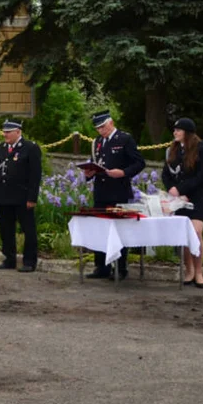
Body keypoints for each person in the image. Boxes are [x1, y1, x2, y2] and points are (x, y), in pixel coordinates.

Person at [83, 110, 145, 280]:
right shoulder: (97, 142)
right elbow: (95, 162)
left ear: (111, 123)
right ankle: (101, 267)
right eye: (98, 128)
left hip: (119, 190)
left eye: (103, 127)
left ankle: (120, 267)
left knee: (118, 230)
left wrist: (124, 172)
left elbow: (139, 162)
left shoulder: (124, 139)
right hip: (101, 191)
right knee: (100, 229)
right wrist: (89, 174)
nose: (101, 131)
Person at [162, 118, 203, 289]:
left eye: (178, 130)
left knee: (196, 232)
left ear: (187, 132)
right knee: (185, 235)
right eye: (174, 130)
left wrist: (182, 189)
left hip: (198, 198)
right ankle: (189, 270)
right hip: (179, 200)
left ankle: (199, 272)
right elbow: (166, 174)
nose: (175, 133)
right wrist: (172, 189)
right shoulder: (173, 150)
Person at [0, 120, 43, 272]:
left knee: (28, 229)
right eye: (4, 132)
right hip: (3, 195)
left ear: (18, 132)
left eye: (8, 132)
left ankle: (29, 261)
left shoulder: (30, 148)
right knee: (6, 229)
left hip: (22, 196)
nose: (5, 134)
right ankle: (9, 258)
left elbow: (35, 175)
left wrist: (32, 197)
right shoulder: (0, 148)